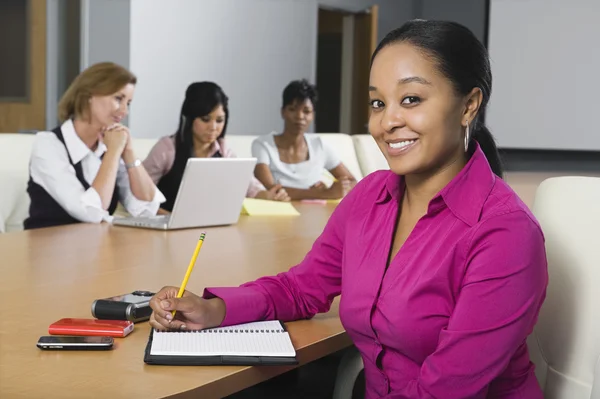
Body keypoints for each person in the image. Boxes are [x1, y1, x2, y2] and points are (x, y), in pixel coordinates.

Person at [149, 20, 548, 399]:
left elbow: (447, 388)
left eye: (411, 99)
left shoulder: (505, 233)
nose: (387, 121)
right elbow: (301, 288)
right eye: (377, 102)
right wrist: (212, 309)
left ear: (469, 105)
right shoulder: (369, 197)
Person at [24, 62, 164, 229]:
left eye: (128, 103)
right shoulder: (48, 145)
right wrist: (113, 153)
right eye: (118, 99)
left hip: (96, 248)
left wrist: (129, 153)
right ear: (89, 95)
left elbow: (146, 209)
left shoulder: (109, 146)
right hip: (47, 249)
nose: (124, 111)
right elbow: (90, 213)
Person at [143, 82, 290, 214]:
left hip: (206, 228)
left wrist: (270, 196)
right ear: (189, 118)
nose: (213, 127)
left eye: (220, 120)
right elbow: (139, 194)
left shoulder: (224, 152)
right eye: (205, 120)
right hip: (163, 229)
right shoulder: (166, 149)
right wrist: (166, 217)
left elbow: (250, 188)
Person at [251, 79, 357, 200]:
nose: (300, 116)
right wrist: (324, 193)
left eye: (306, 111)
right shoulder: (262, 145)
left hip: (315, 213)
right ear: (282, 112)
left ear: (313, 115)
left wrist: (338, 187)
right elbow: (272, 190)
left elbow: (354, 182)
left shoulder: (319, 146)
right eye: (292, 109)